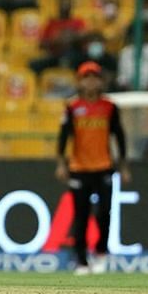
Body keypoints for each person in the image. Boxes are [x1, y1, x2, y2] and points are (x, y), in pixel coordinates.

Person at [56, 61, 130, 275]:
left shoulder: (109, 107)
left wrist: (123, 165)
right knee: (81, 216)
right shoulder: (72, 107)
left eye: (94, 77)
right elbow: (63, 137)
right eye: (86, 78)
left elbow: (119, 136)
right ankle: (81, 261)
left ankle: (100, 252)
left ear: (100, 81)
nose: (90, 82)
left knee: (104, 213)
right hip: (79, 167)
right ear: (80, 82)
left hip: (104, 166)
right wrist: (61, 163)